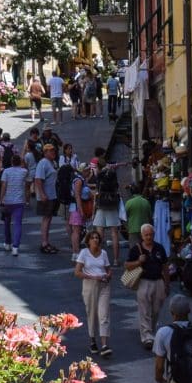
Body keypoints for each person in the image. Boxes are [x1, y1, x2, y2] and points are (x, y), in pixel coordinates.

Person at [126, 220, 169, 348]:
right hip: (144, 282)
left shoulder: (159, 248)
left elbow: (165, 265)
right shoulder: (136, 249)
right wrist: (138, 262)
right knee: (144, 310)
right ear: (142, 236)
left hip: (158, 281)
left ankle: (151, 330)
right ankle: (147, 337)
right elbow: (127, 265)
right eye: (146, 235)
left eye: (151, 234)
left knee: (156, 310)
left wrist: (167, 283)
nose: (149, 237)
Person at [73, 226, 113, 356]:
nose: (95, 240)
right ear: (88, 241)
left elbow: (108, 269)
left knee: (104, 314)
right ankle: (92, 339)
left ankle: (105, 344)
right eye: (93, 238)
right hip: (90, 285)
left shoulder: (104, 254)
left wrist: (107, 275)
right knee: (92, 313)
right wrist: (91, 276)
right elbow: (77, 272)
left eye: (97, 238)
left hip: (103, 285)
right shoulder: (84, 253)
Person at [91, 146, 123, 270]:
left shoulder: (99, 176)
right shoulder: (112, 174)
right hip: (112, 204)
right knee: (114, 234)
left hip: (101, 205)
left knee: (99, 235)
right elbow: (116, 187)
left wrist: (94, 209)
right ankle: (115, 260)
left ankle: (100, 260)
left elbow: (97, 191)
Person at [0, 147, 30, 255]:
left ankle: (7, 243)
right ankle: (15, 247)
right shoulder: (24, 172)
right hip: (19, 201)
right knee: (18, 224)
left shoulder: (6, 172)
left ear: (11, 162)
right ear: (20, 162)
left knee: (7, 223)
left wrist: (1, 199)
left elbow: (3, 186)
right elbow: (27, 185)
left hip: (7, 200)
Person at [34, 141, 60, 254]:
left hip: (52, 195)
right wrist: (42, 194)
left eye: (54, 150)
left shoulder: (52, 162)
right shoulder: (43, 163)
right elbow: (38, 180)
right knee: (46, 219)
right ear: (45, 152)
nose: (53, 152)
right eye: (50, 150)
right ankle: (44, 243)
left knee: (49, 218)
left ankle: (46, 242)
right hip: (47, 196)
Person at [123, 181, 152, 249]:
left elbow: (124, 218)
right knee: (145, 249)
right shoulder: (146, 202)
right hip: (145, 231)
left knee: (134, 250)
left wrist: (127, 228)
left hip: (133, 230)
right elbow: (150, 217)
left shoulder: (129, 203)